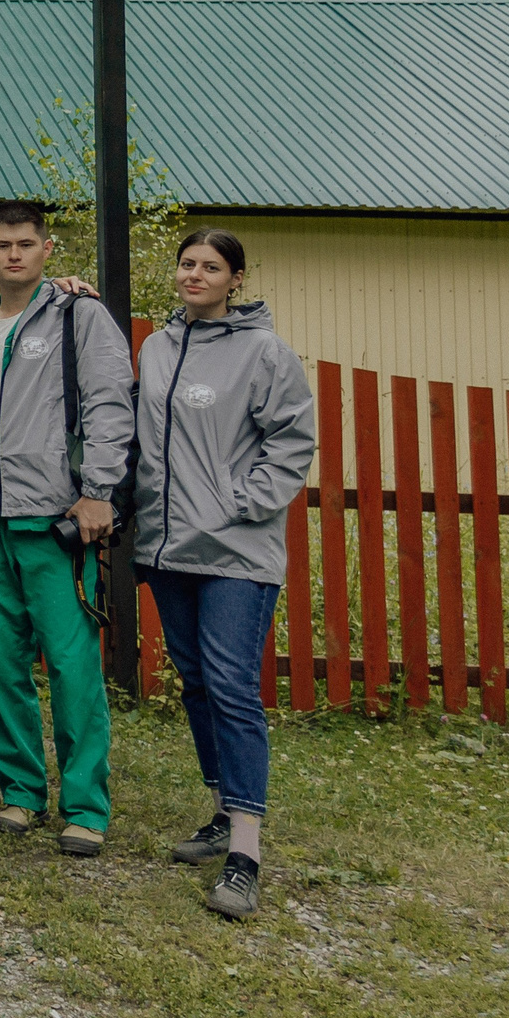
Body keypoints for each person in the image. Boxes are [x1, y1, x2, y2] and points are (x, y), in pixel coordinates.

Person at [133, 229, 315, 920]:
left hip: (237, 554)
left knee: (234, 686)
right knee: (199, 682)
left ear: (236, 278)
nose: (195, 274)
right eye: (187, 264)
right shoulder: (156, 348)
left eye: (211, 266)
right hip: (169, 550)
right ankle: (219, 809)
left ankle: (245, 850)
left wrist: (242, 503)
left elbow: (293, 439)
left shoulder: (264, 352)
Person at [0, 201, 134, 860]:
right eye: (2, 244)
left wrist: (97, 491)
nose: (14, 254)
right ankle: (21, 790)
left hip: (55, 517)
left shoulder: (78, 315)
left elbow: (112, 402)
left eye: (26, 243)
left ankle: (85, 804)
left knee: (71, 663)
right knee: (0, 666)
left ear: (47, 247)